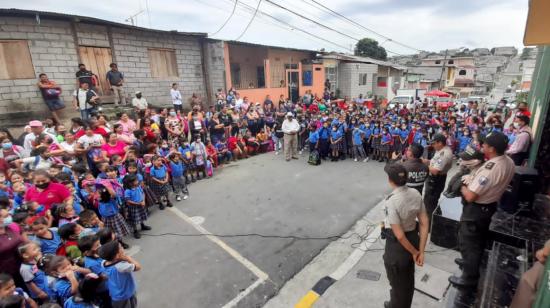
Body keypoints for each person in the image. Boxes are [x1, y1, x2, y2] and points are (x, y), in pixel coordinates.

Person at [449, 132, 515, 290]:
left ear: (491, 148)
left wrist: (463, 186)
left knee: (469, 243)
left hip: (477, 210)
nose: (482, 146)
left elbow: (471, 196)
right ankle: (468, 262)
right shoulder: (508, 161)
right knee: (476, 239)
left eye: (484, 144)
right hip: (488, 206)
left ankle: (469, 278)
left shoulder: (491, 168)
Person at [381, 164, 429, 308]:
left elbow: (400, 236)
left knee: (397, 281)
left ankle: (396, 305)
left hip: (398, 247)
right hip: (413, 238)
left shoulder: (392, 201)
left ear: (390, 181)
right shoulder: (415, 193)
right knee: (407, 278)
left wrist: (415, 253)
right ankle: (397, 302)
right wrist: (420, 251)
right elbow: (424, 222)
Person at [99, 240, 141, 308]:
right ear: (117, 255)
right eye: (121, 247)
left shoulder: (103, 263)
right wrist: (128, 258)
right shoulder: (121, 267)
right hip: (125, 293)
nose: (122, 248)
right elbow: (138, 267)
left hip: (115, 292)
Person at [422, 134, 453, 227]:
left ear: (440, 143)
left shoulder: (444, 154)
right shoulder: (440, 150)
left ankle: (428, 226)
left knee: (429, 203)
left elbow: (435, 171)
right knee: (430, 202)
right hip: (436, 179)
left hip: (435, 180)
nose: (432, 145)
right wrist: (426, 161)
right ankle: (431, 222)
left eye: (434, 143)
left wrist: (425, 165)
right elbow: (434, 163)